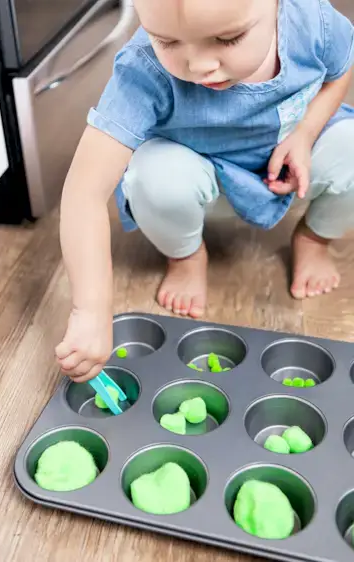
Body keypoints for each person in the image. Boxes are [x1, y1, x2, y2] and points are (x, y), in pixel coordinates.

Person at [55, 0, 354, 382]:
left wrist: (306, 131)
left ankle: (315, 238)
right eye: (167, 41)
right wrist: (90, 311)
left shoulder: (311, 21)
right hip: (201, 177)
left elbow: (339, 70)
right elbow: (84, 191)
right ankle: (185, 255)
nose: (198, 66)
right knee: (152, 176)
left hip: (288, 165)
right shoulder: (143, 70)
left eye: (227, 39)